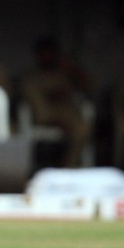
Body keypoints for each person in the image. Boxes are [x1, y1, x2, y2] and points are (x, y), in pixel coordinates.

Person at [18, 36, 92, 167]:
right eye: (43, 53)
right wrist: (50, 119)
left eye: (50, 53)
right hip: (45, 116)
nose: (46, 56)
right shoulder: (30, 76)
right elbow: (34, 102)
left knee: (83, 129)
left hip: (67, 114)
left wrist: (73, 69)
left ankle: (68, 167)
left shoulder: (63, 71)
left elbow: (89, 86)